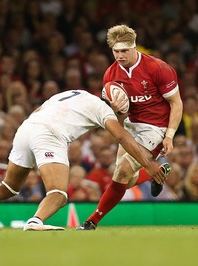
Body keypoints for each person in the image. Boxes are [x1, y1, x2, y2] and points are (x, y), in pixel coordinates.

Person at [0, 89, 165, 231]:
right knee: (58, 195)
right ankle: (35, 221)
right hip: (50, 135)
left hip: (26, 128)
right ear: (117, 105)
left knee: (9, 187)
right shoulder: (103, 110)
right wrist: (149, 164)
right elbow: (121, 137)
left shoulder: (74, 92)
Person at [78, 24, 183, 230]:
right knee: (125, 178)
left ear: (134, 47)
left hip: (156, 127)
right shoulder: (110, 75)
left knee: (123, 171)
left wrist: (169, 135)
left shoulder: (158, 68)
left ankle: (92, 221)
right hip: (131, 125)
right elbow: (117, 117)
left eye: (124, 50)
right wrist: (117, 110)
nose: (119, 55)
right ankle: (158, 171)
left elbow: (176, 103)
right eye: (116, 51)